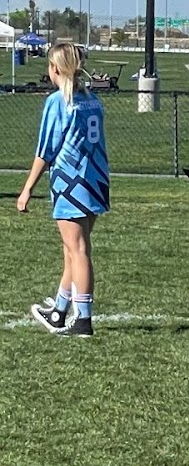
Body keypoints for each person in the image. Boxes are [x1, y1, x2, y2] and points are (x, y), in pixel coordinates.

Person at [18, 41, 110, 339]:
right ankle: (59, 311)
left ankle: (82, 320)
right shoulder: (92, 99)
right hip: (96, 180)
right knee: (73, 249)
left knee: (78, 250)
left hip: (71, 183)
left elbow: (45, 150)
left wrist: (27, 188)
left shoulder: (59, 102)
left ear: (55, 68)